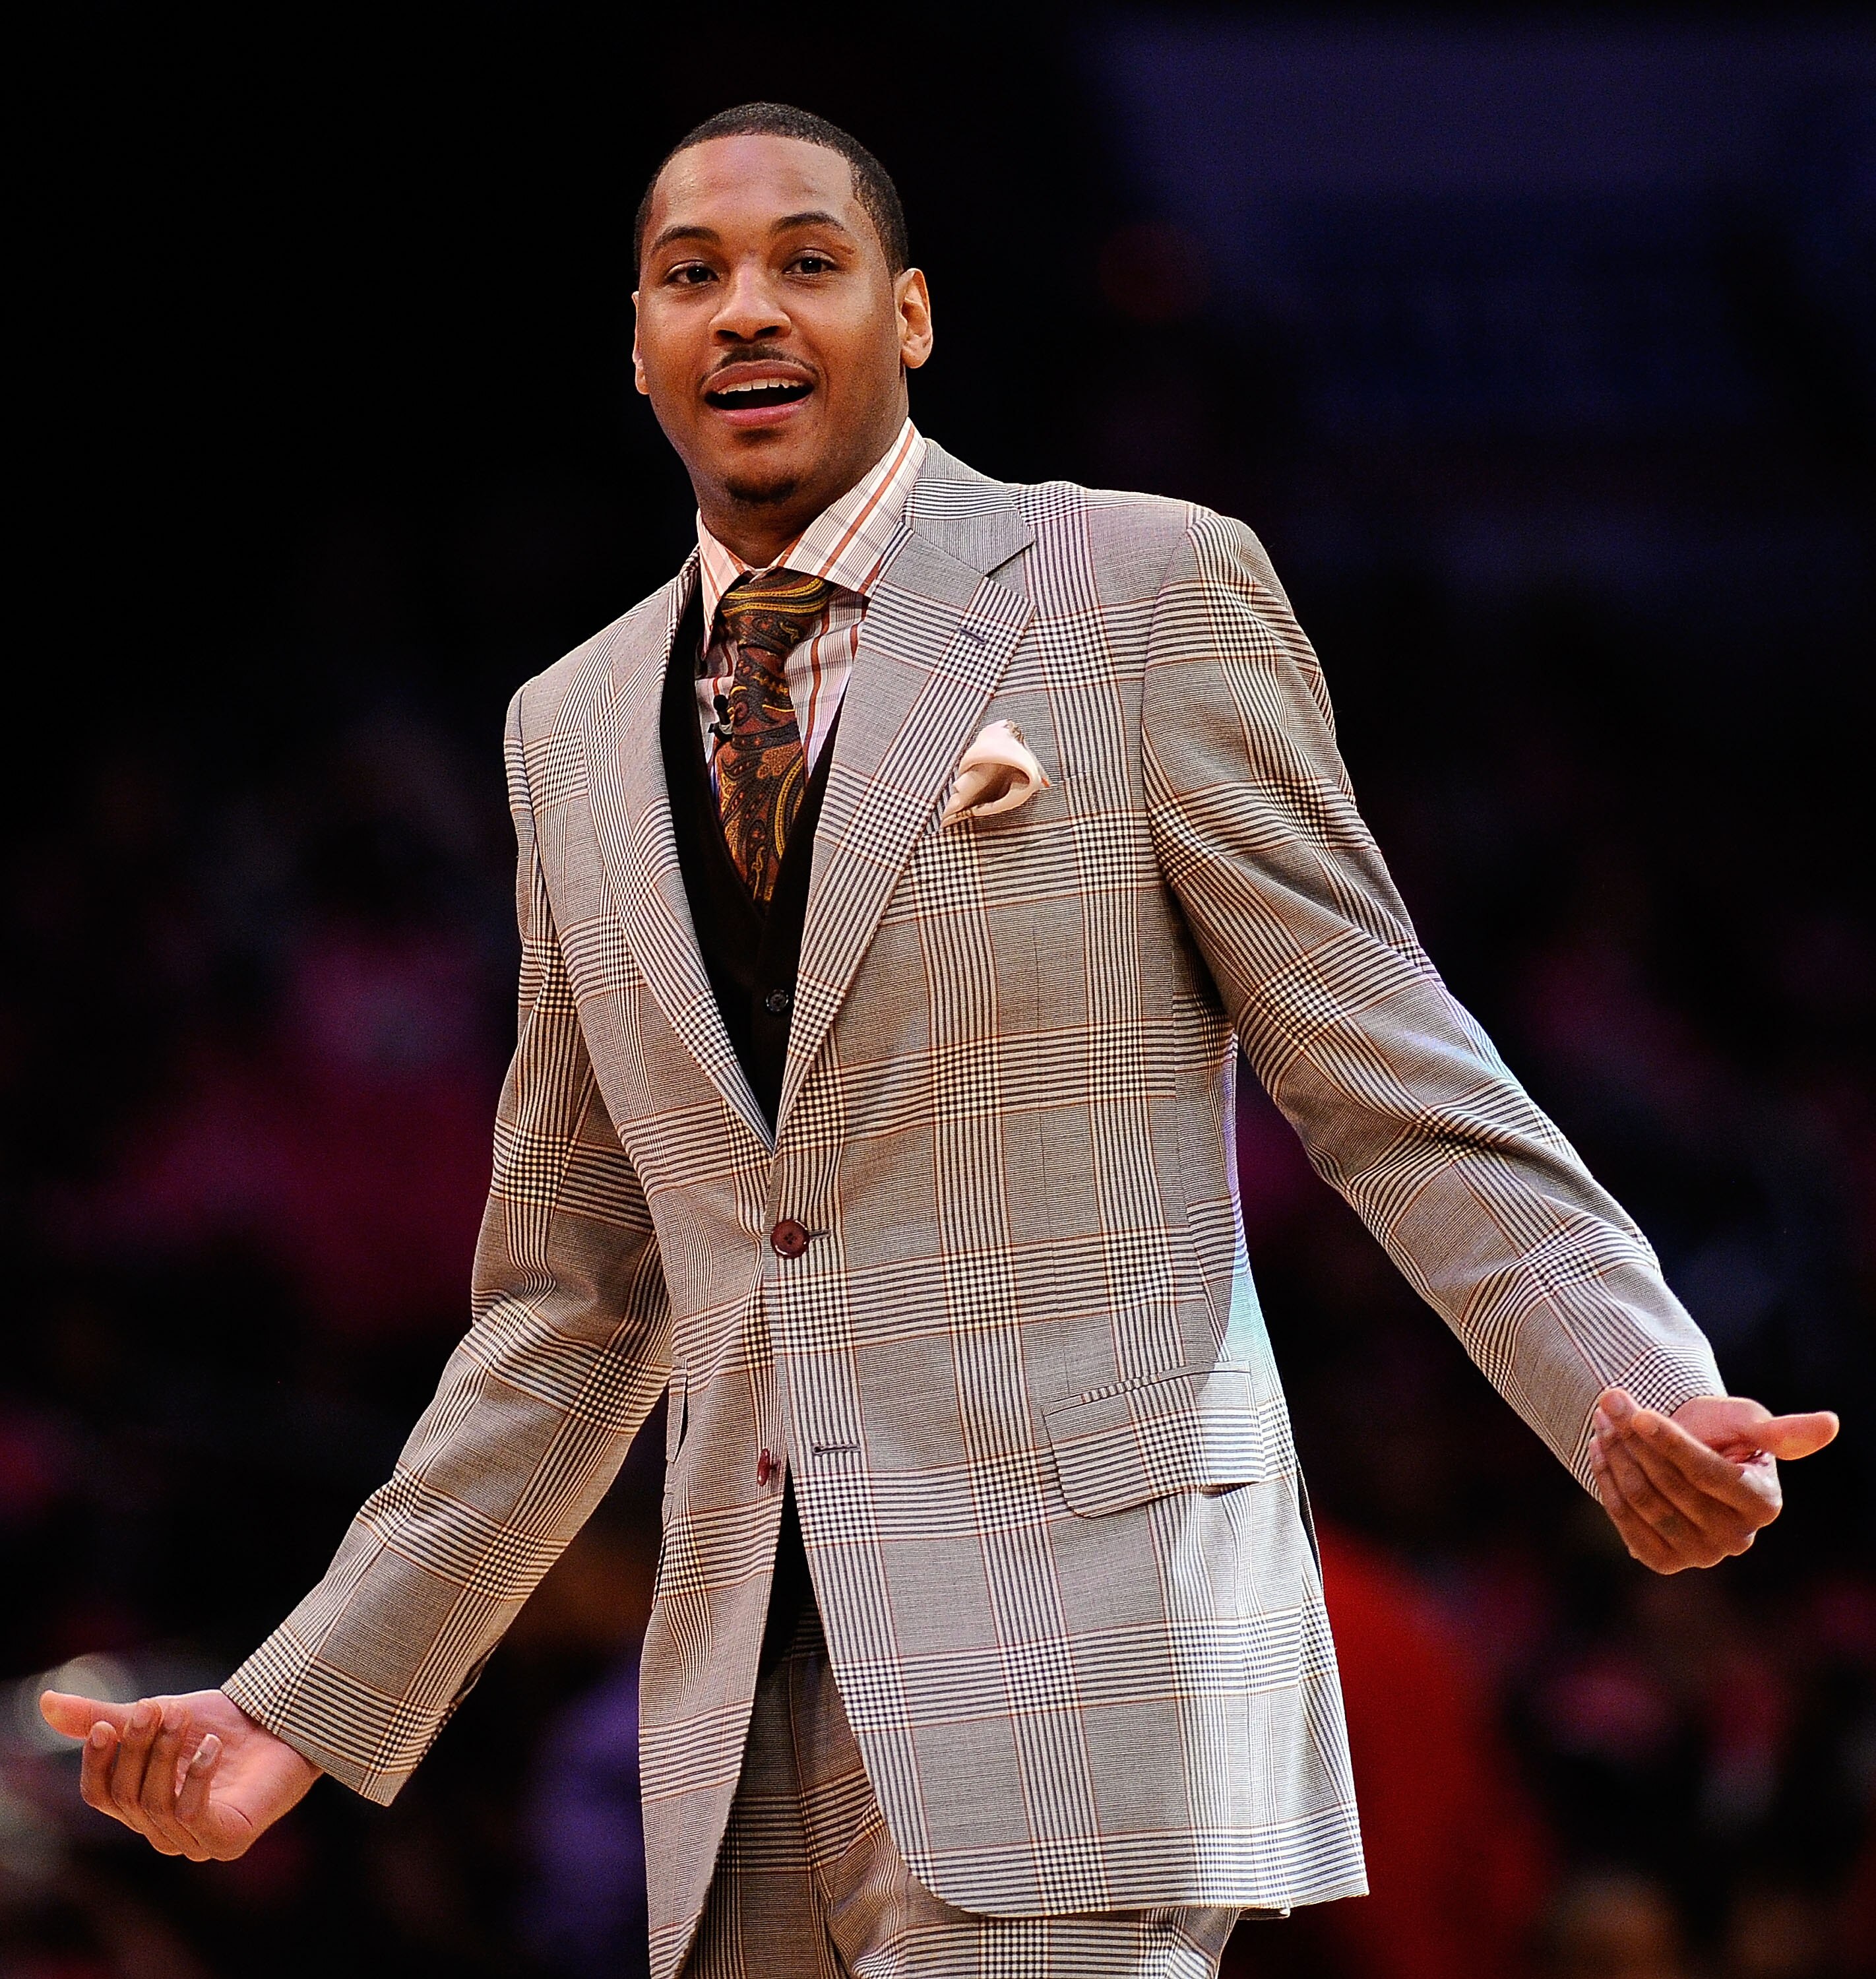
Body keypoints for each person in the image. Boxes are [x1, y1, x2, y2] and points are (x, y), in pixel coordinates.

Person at [42, 102, 1840, 1979]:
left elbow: (1386, 1064)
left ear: (907, 317)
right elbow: (570, 1307)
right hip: (745, 1709)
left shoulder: (1140, 588)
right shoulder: (565, 727)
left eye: (804, 262)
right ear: (637, 343)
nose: (745, 310)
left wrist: (1631, 1377)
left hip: (1090, 1643)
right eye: (691, 276)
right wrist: (291, 1715)